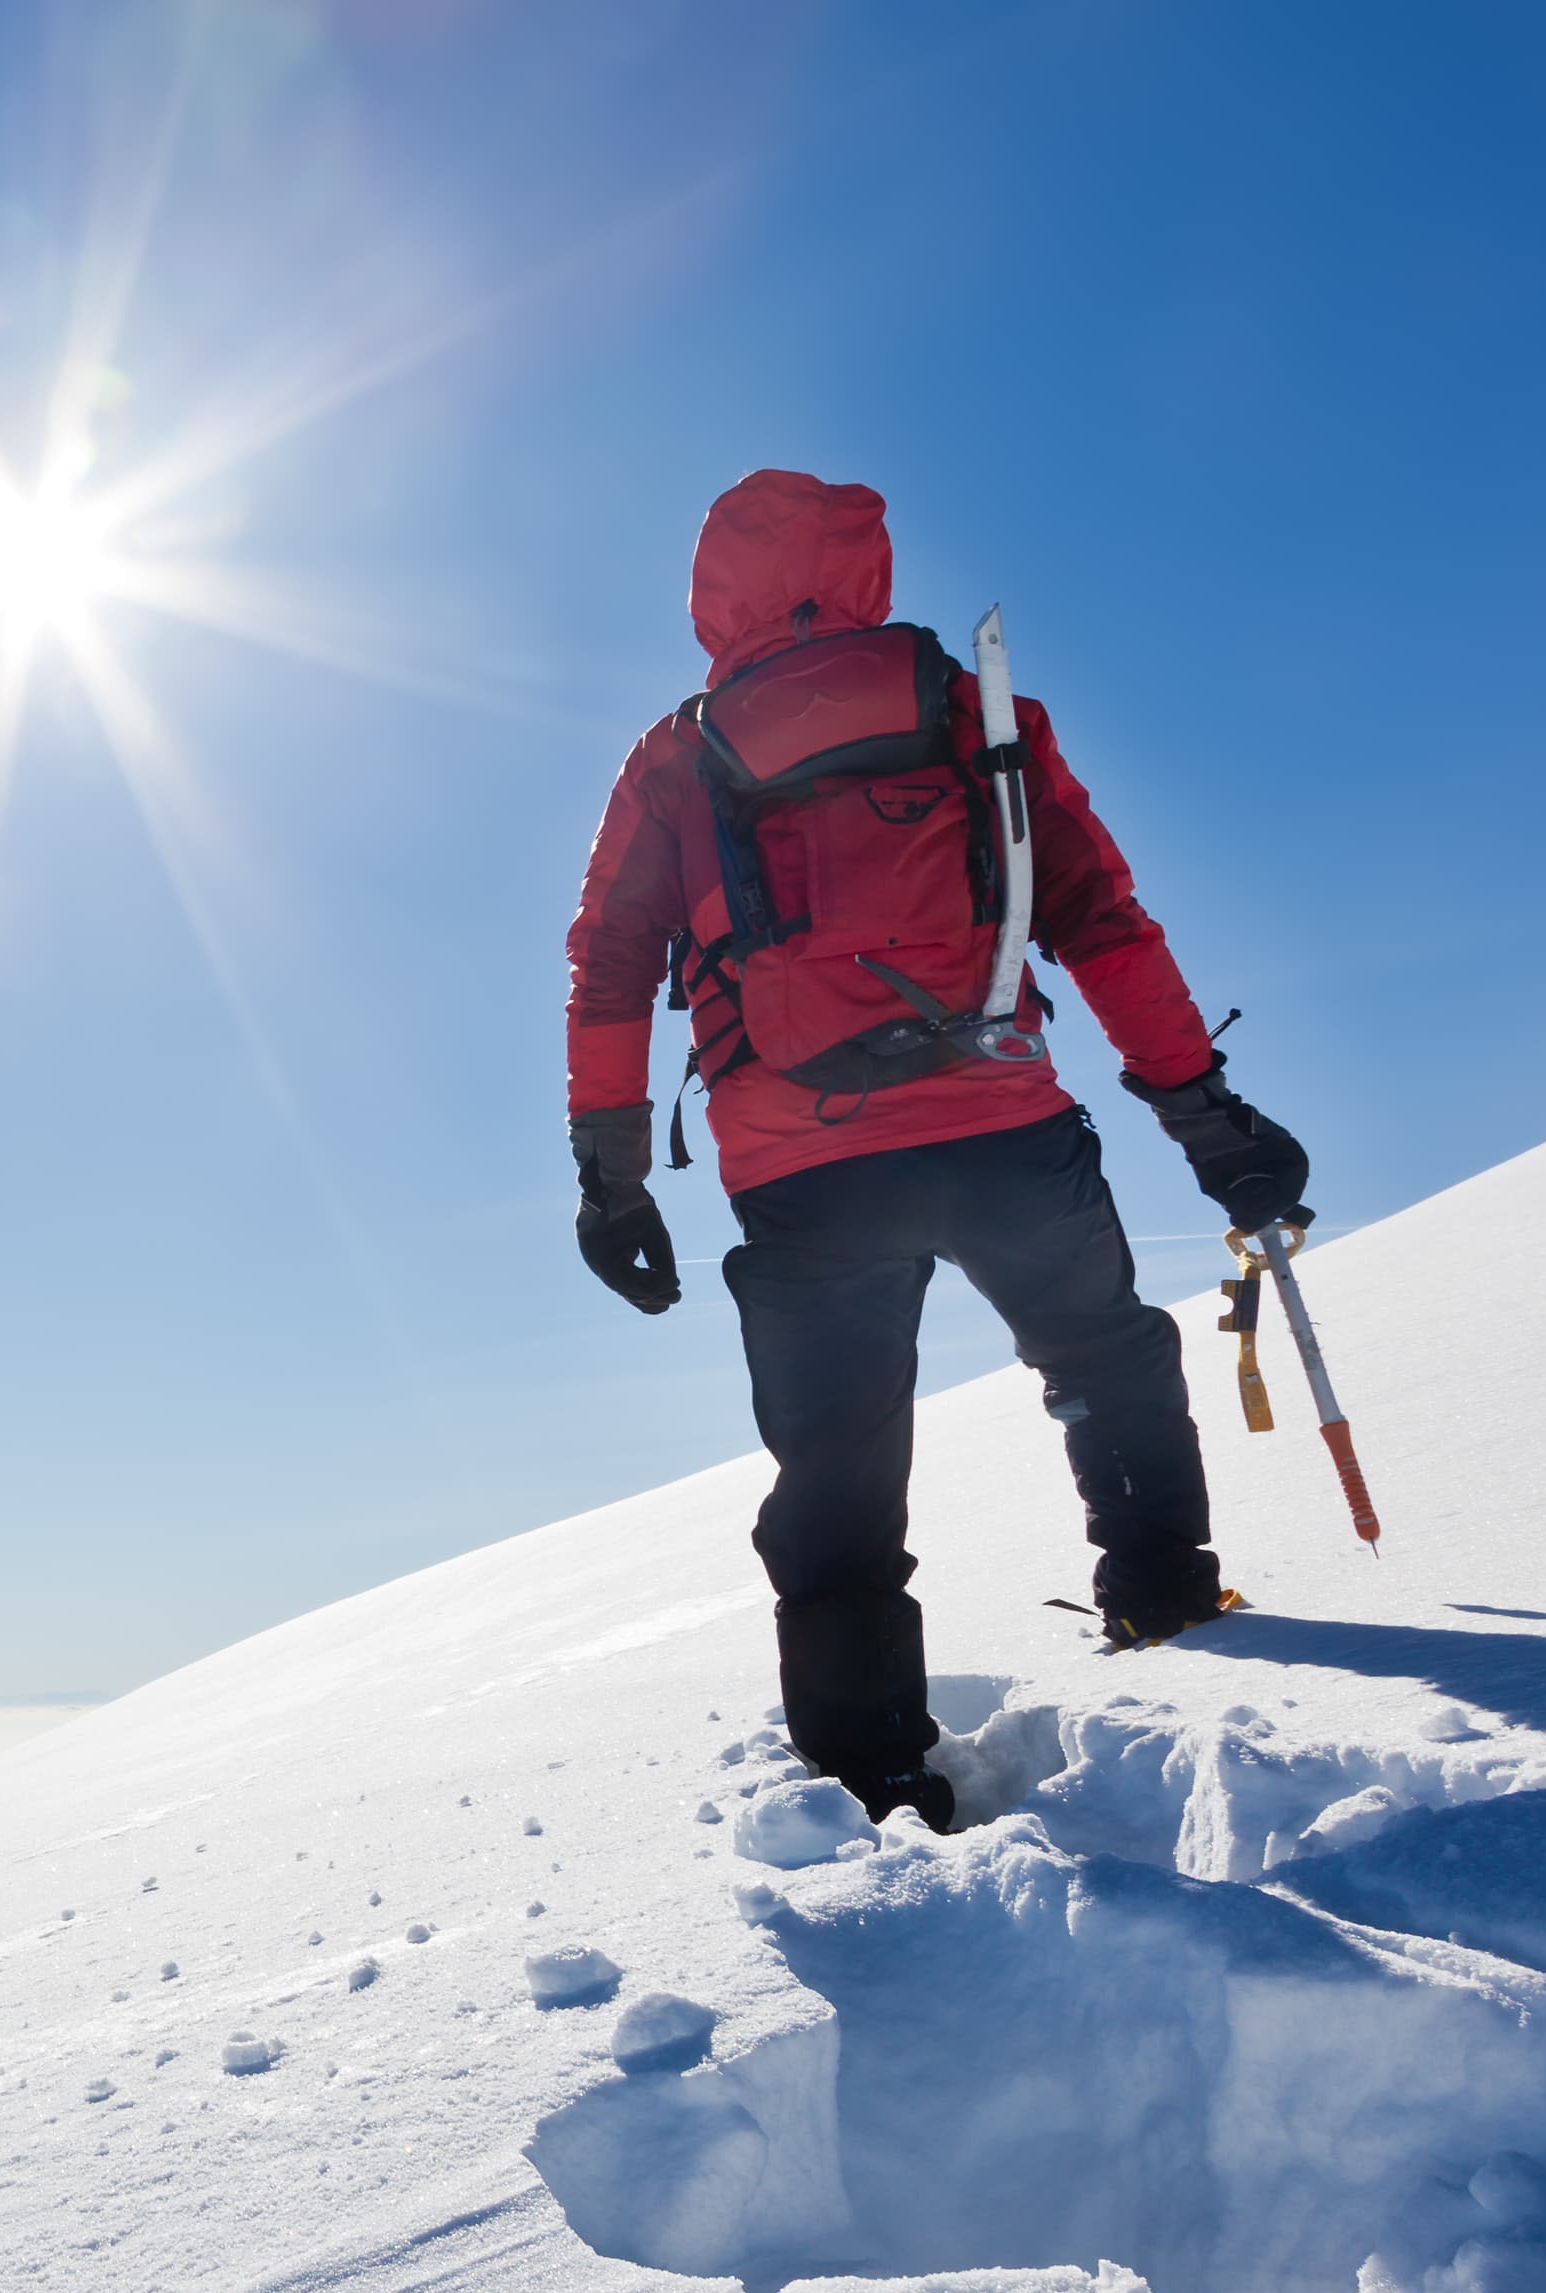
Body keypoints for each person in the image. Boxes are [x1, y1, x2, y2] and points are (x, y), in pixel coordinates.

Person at [560, 469, 1310, 1831]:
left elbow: (609, 968)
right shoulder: (972, 707)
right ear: (866, 564)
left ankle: (870, 1781)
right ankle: (1164, 1602)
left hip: (799, 1163)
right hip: (1000, 1121)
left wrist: (609, 1176)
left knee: (838, 1465)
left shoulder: (677, 755)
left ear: (711, 590)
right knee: (1104, 1360)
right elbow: (1100, 916)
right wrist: (1203, 1110)